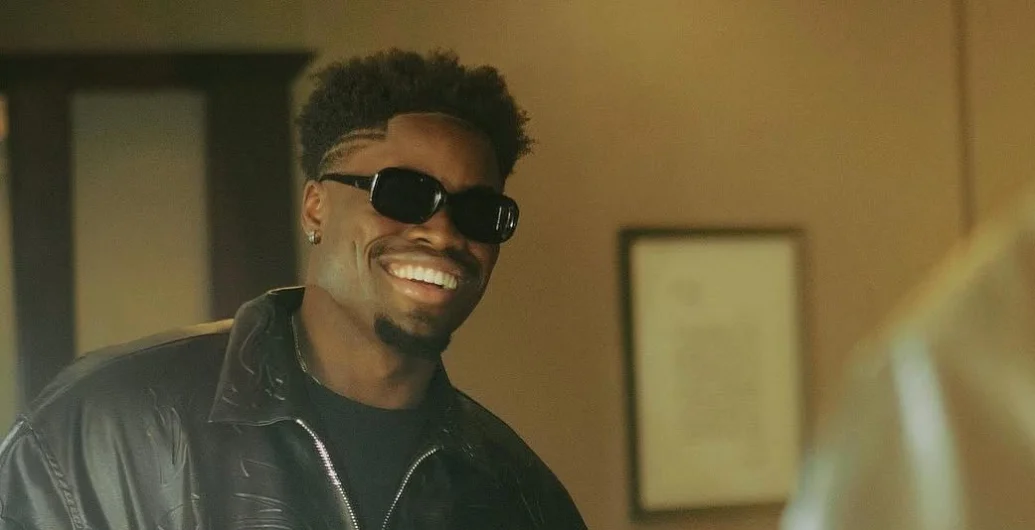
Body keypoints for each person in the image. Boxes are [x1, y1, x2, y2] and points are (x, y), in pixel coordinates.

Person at [0, 49, 587, 529]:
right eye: (404, 194)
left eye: (480, 213)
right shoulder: (102, 427)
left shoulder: (522, 496)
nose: (443, 233)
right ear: (315, 207)